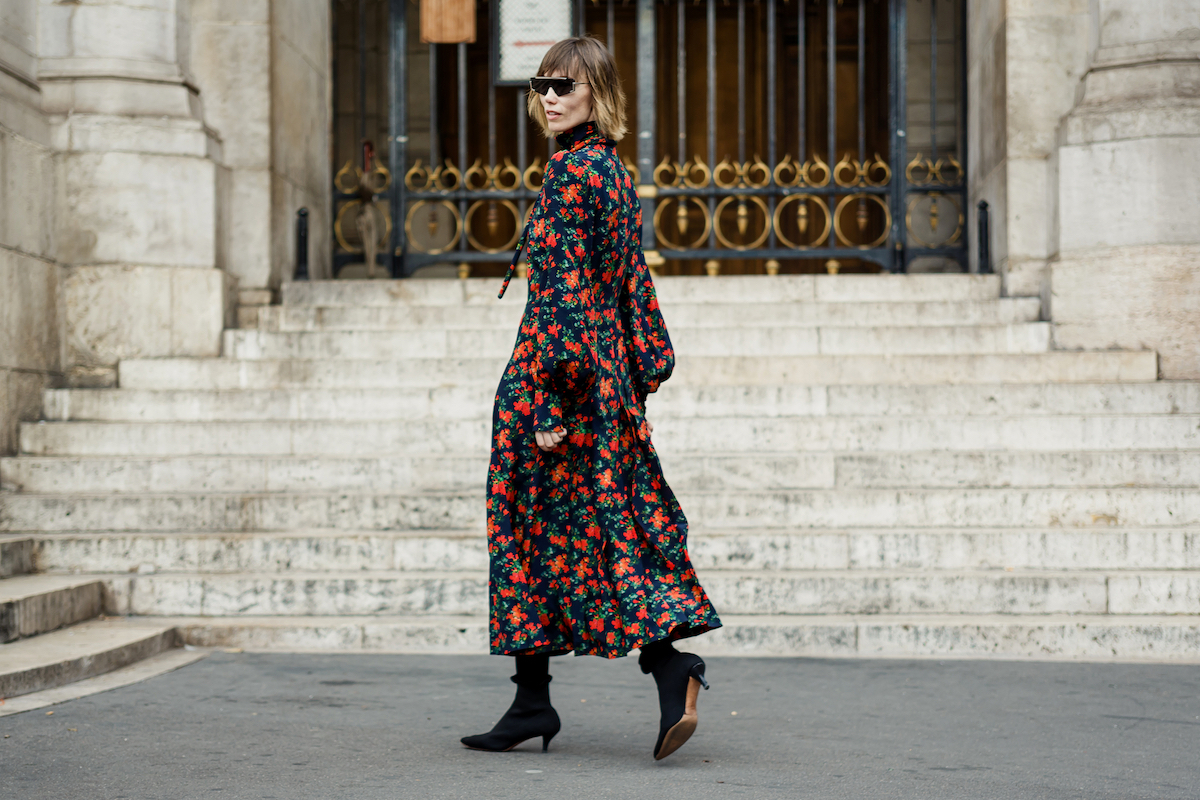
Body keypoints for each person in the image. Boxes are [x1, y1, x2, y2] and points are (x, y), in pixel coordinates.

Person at [460, 36, 722, 762]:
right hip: (594, 384)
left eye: (563, 85)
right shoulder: (604, 169)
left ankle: (666, 666)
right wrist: (625, 382)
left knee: (542, 532)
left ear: (596, 93)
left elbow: (564, 297)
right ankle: (535, 699)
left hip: (557, 384)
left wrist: (549, 402)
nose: (548, 96)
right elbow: (631, 286)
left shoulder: (576, 174)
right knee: (588, 530)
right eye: (541, 84)